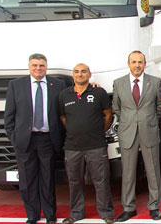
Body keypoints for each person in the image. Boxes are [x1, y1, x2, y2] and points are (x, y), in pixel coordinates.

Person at [4, 53, 67, 224]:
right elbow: (9, 116)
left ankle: (50, 214)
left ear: (46, 67)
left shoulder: (58, 84)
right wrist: (15, 138)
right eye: (35, 65)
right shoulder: (16, 85)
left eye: (41, 65)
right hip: (25, 141)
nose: (38, 68)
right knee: (27, 180)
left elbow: (64, 110)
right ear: (29, 66)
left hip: (47, 139)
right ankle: (32, 215)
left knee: (47, 179)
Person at [58, 63, 114, 224]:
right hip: (72, 147)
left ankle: (106, 213)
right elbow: (63, 118)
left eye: (83, 72)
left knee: (101, 180)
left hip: (96, 145)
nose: (80, 74)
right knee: (75, 181)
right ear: (73, 75)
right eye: (76, 72)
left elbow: (108, 114)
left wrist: (97, 131)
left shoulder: (99, 92)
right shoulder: (64, 95)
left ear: (90, 75)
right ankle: (76, 213)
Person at [112, 51, 161, 222]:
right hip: (128, 132)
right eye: (134, 62)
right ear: (128, 64)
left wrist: (148, 121)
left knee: (153, 170)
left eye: (140, 62)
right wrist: (130, 121)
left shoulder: (154, 82)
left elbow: (160, 107)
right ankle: (129, 208)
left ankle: (154, 207)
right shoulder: (118, 83)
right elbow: (117, 108)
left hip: (148, 130)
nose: (137, 65)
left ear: (144, 64)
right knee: (128, 172)